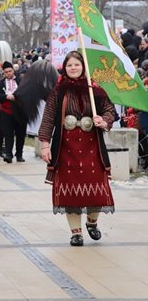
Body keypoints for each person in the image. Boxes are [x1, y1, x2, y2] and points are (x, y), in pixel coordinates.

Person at [38, 51, 116, 246]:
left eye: (77, 65)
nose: (73, 68)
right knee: (70, 191)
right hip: (66, 146)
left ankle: (92, 222)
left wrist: (103, 120)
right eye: (69, 65)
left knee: (97, 190)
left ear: (83, 67)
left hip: (92, 145)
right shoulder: (59, 91)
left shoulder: (95, 89)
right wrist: (45, 144)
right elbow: (48, 118)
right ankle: (76, 233)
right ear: (65, 67)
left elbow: (109, 110)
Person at [0, 61, 27, 163]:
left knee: (20, 133)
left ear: (13, 70)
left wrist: (16, 96)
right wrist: (6, 96)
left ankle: (19, 154)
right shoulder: (0, 83)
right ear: (3, 73)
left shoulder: (21, 80)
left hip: (20, 111)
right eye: (6, 72)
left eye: (10, 71)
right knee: (8, 134)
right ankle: (8, 154)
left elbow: (26, 92)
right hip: (6, 111)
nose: (8, 73)